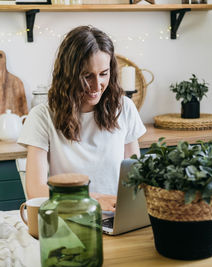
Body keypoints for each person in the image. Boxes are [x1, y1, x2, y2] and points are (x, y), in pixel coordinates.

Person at [17, 25, 146, 211]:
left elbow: (135, 177)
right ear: (68, 74)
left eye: (103, 74)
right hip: (69, 218)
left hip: (116, 217)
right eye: (87, 76)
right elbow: (36, 191)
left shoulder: (124, 108)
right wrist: (94, 199)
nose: (96, 86)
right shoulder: (42, 116)